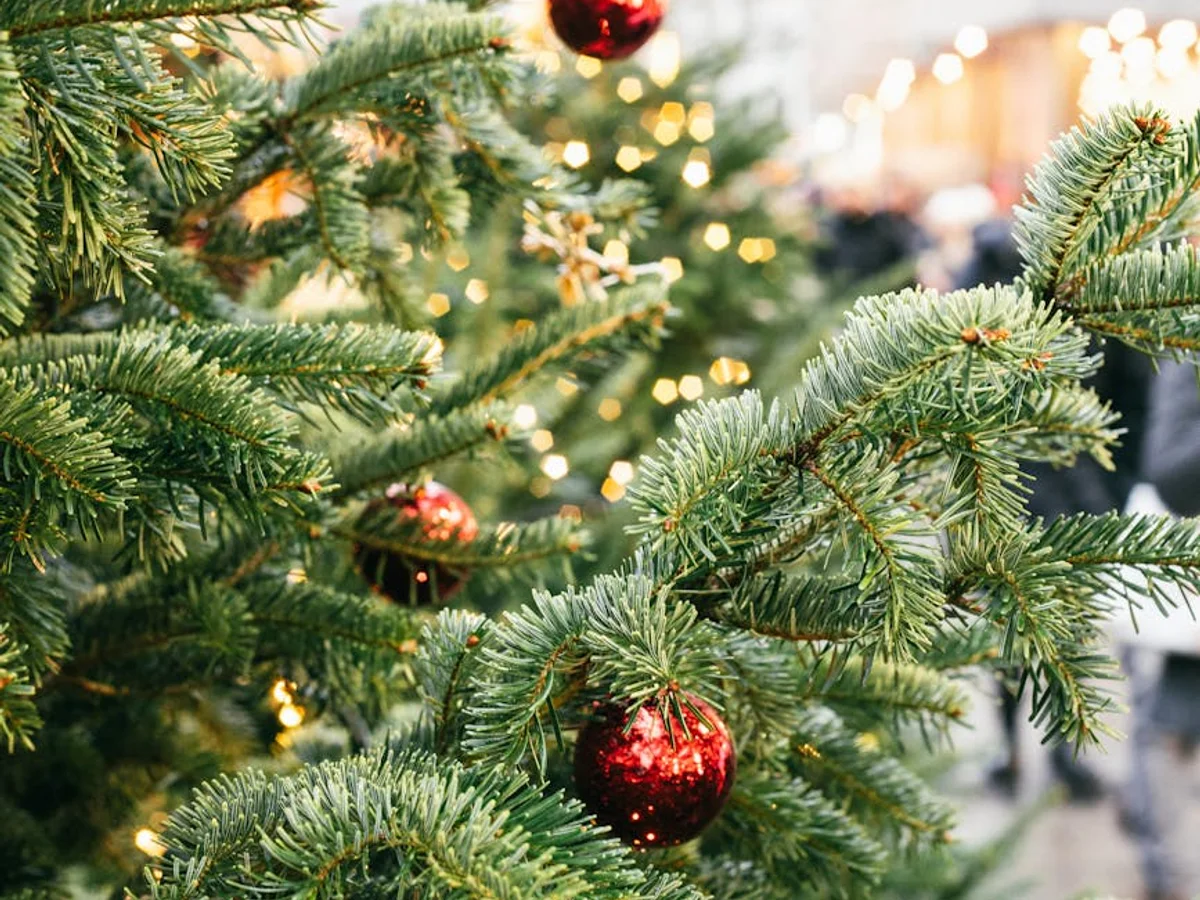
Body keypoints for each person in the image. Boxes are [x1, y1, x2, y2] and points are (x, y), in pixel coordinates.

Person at [955, 217, 1152, 801]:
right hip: (1055, 491)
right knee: (1053, 637)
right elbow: (1131, 403)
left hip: (1010, 492)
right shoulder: (1092, 290)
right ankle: (1048, 757)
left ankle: (1021, 755)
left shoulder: (990, 269)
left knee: (1019, 638)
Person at [1117, 359, 1200, 900]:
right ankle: (1167, 867)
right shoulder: (1189, 352)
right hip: (1186, 586)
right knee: (1167, 721)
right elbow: (1171, 475)